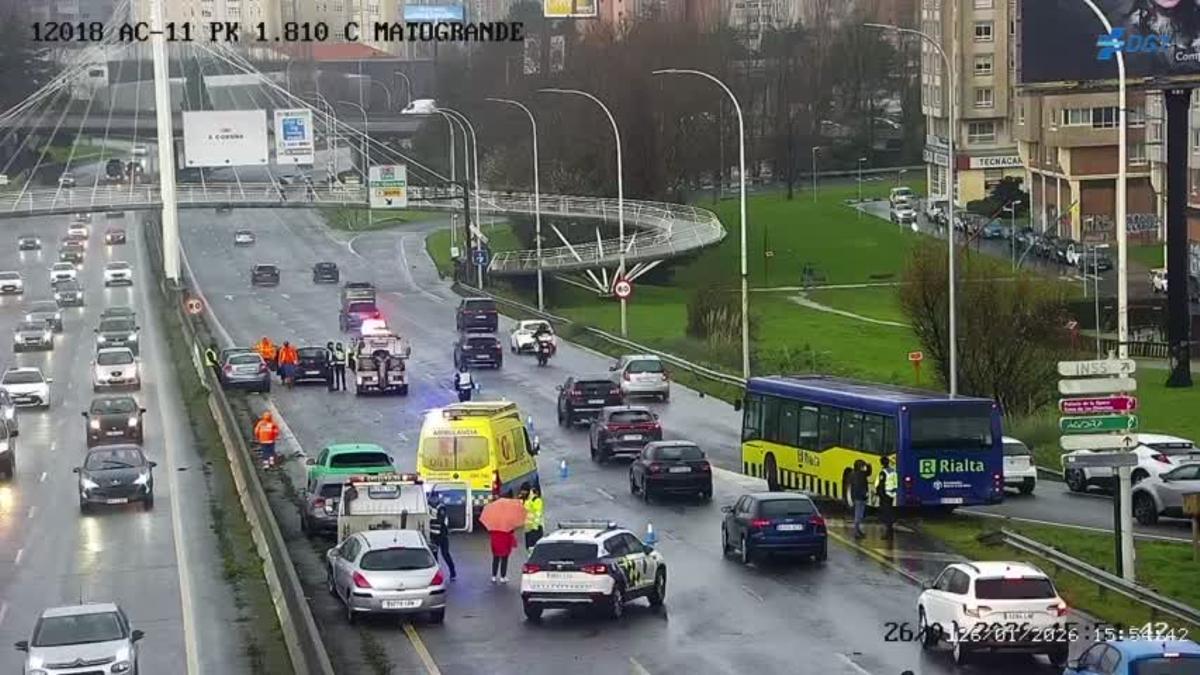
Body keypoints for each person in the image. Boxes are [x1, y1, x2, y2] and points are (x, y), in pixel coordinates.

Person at [427, 497, 457, 580]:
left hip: (442, 535)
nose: (433, 501)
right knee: (434, 555)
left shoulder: (441, 507)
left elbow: (440, 519)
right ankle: (437, 574)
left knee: (445, 554)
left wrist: (431, 519)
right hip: (433, 535)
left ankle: (453, 572)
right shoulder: (427, 507)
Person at [876, 456, 897, 541]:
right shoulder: (893, 471)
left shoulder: (883, 473)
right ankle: (890, 531)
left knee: (886, 514)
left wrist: (879, 494)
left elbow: (881, 485)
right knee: (890, 512)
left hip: (885, 495)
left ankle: (888, 533)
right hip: (892, 494)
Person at [850, 461, 869, 539]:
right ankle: (856, 532)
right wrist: (864, 494)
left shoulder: (856, 474)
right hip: (859, 497)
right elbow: (858, 487)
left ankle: (858, 531)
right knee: (858, 515)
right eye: (863, 466)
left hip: (858, 497)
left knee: (859, 515)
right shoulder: (859, 475)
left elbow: (868, 473)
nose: (864, 467)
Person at [522, 486, 544, 551]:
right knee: (529, 548)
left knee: (534, 548)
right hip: (528, 529)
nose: (522, 493)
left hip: (535, 529)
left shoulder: (536, 500)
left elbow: (538, 514)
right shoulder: (527, 500)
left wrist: (535, 527)